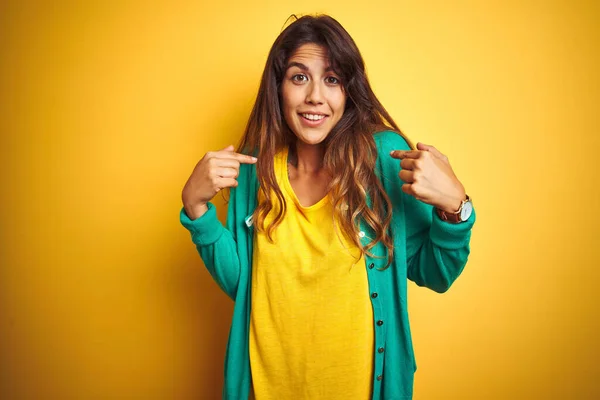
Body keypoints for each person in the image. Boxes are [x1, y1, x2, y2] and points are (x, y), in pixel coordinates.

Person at [180, 14, 475, 400]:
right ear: (279, 88)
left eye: (332, 79)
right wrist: (196, 208)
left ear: (349, 91)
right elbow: (246, 287)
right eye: (299, 77)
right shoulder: (254, 168)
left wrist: (456, 206)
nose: (315, 96)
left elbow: (436, 273)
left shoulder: (383, 159)